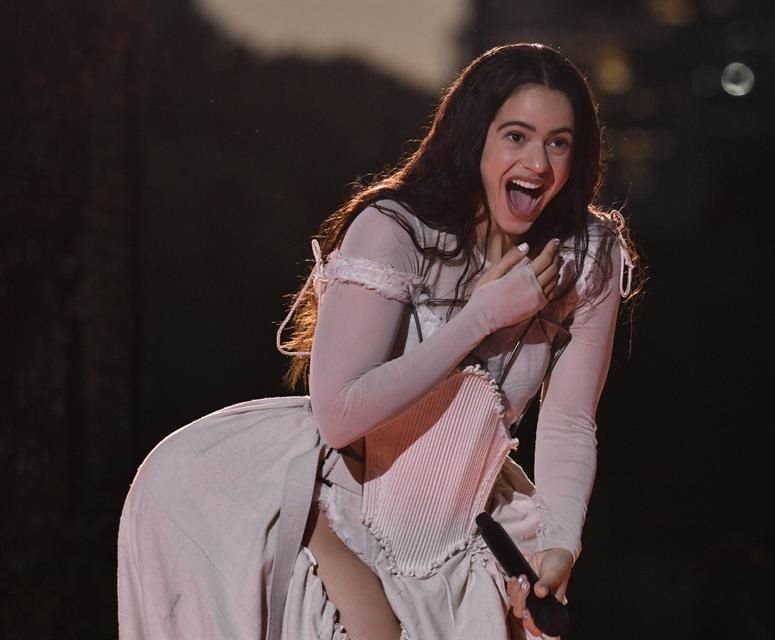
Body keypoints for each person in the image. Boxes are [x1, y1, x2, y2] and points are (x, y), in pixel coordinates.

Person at [118, 42, 639, 640]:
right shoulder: (394, 231)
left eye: (558, 142)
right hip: (336, 502)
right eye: (516, 136)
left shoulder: (586, 258)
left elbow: (569, 420)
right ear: (476, 137)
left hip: (464, 524)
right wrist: (480, 317)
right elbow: (339, 416)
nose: (538, 163)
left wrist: (559, 545)